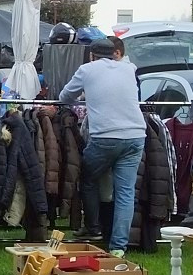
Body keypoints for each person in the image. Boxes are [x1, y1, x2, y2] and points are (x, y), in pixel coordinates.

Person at [57, 38, 145, 257]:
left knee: (87, 177)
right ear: (114, 53)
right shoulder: (128, 68)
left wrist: (85, 96)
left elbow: (64, 97)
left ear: (91, 55)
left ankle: (94, 227)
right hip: (135, 135)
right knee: (125, 193)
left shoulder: (87, 70)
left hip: (105, 136)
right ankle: (118, 247)